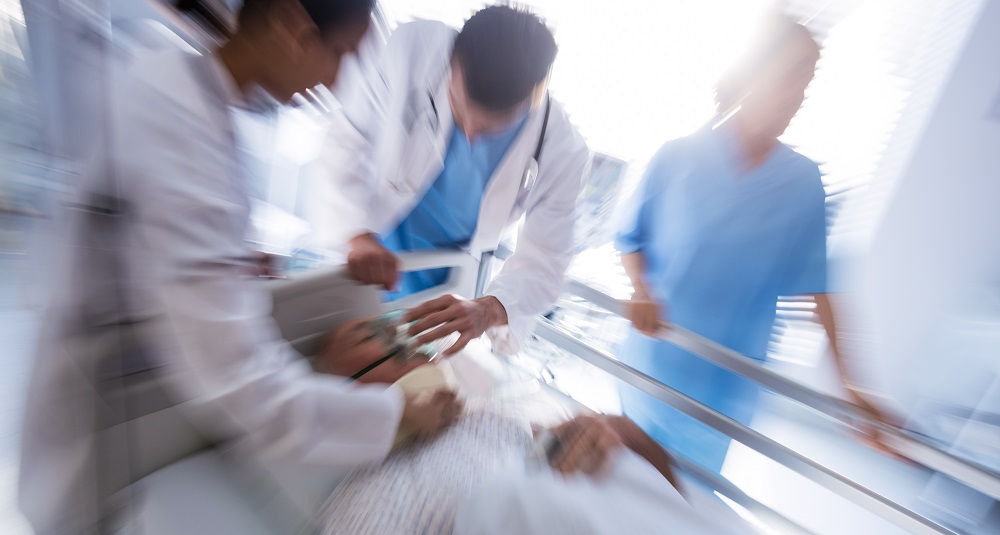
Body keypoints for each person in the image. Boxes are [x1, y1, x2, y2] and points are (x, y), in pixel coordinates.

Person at [18, 2, 459, 533]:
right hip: (102, 414)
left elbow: (155, 227)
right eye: (339, 54)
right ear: (294, 27)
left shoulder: (188, 91)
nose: (336, 81)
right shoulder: (178, 119)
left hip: (128, 390)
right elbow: (243, 383)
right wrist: (399, 416)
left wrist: (228, 262)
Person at [614, 16, 885, 474]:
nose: (799, 93)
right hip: (650, 371)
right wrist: (642, 288)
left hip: (721, 400)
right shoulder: (678, 156)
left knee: (680, 510)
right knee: (616, 489)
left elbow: (818, 290)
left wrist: (851, 385)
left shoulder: (803, 185)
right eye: (792, 73)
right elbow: (630, 237)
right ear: (755, 70)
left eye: (808, 80)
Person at [313, 5, 590, 356]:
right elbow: (347, 140)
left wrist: (488, 309)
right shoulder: (413, 51)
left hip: (444, 278)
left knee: (412, 371)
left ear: (534, 96)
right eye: (460, 107)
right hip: (369, 246)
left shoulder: (562, 149)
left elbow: (547, 258)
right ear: (452, 58)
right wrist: (356, 234)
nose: (472, 133)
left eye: (492, 125)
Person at [312, 315, 753, 535]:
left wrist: (624, 434)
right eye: (366, 337)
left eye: (387, 327)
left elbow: (668, 498)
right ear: (333, 391)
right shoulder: (361, 503)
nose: (393, 334)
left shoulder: (496, 415)